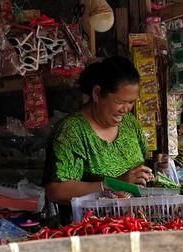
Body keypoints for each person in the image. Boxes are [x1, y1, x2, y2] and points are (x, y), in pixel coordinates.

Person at [44, 56, 156, 204]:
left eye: (130, 102)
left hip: (137, 218)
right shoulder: (72, 132)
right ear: (97, 94)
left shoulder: (129, 124)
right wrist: (115, 184)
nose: (126, 109)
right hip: (94, 223)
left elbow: (141, 163)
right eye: (120, 102)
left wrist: (154, 166)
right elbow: (55, 191)